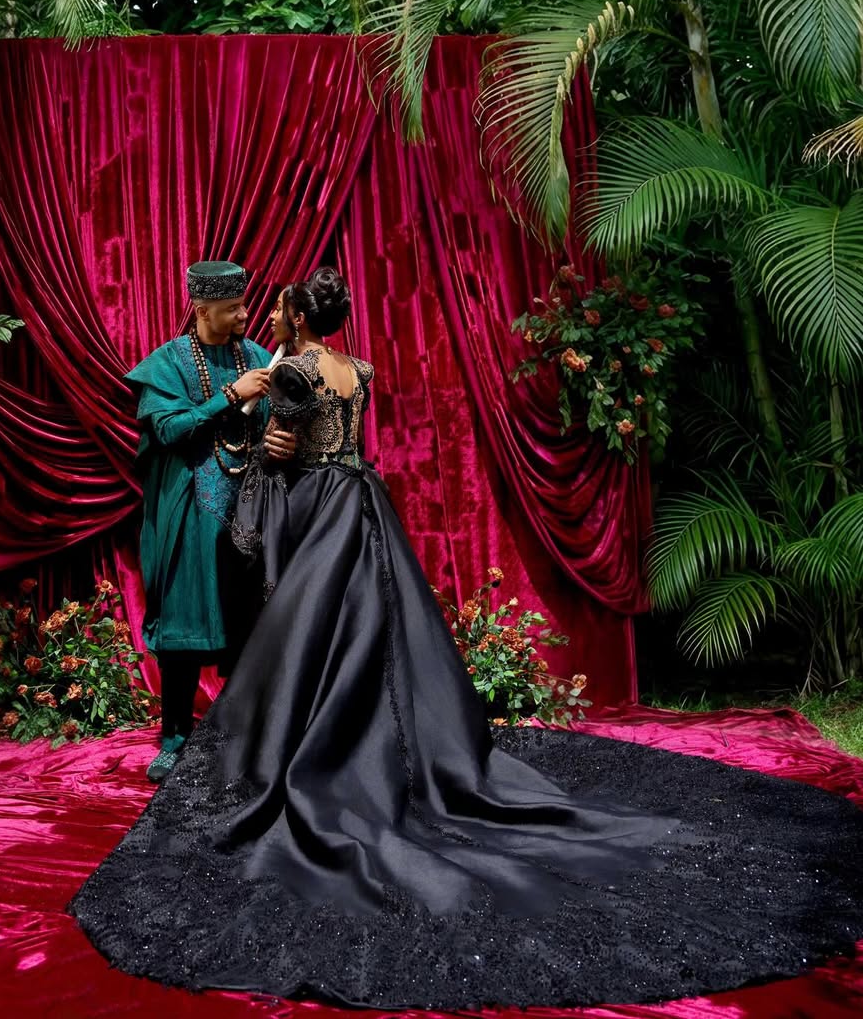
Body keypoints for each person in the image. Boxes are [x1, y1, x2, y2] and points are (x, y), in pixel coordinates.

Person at [74, 267, 863, 1010]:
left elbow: (281, 447)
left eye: (270, 308)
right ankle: (373, 740)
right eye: (242, 307)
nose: (258, 318)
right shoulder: (366, 369)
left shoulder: (289, 371)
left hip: (316, 514)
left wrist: (274, 438)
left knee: (312, 639)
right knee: (374, 633)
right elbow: (218, 427)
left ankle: (309, 752)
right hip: (364, 505)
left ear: (300, 317)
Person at [123, 260, 293, 782]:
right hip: (190, 509)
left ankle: (239, 739)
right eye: (233, 308)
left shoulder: (262, 359)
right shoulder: (169, 363)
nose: (246, 314)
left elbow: (280, 427)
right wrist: (229, 396)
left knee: (247, 624)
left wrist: (280, 441)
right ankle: (174, 736)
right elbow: (170, 430)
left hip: (250, 511)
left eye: (244, 304)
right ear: (202, 310)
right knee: (185, 621)